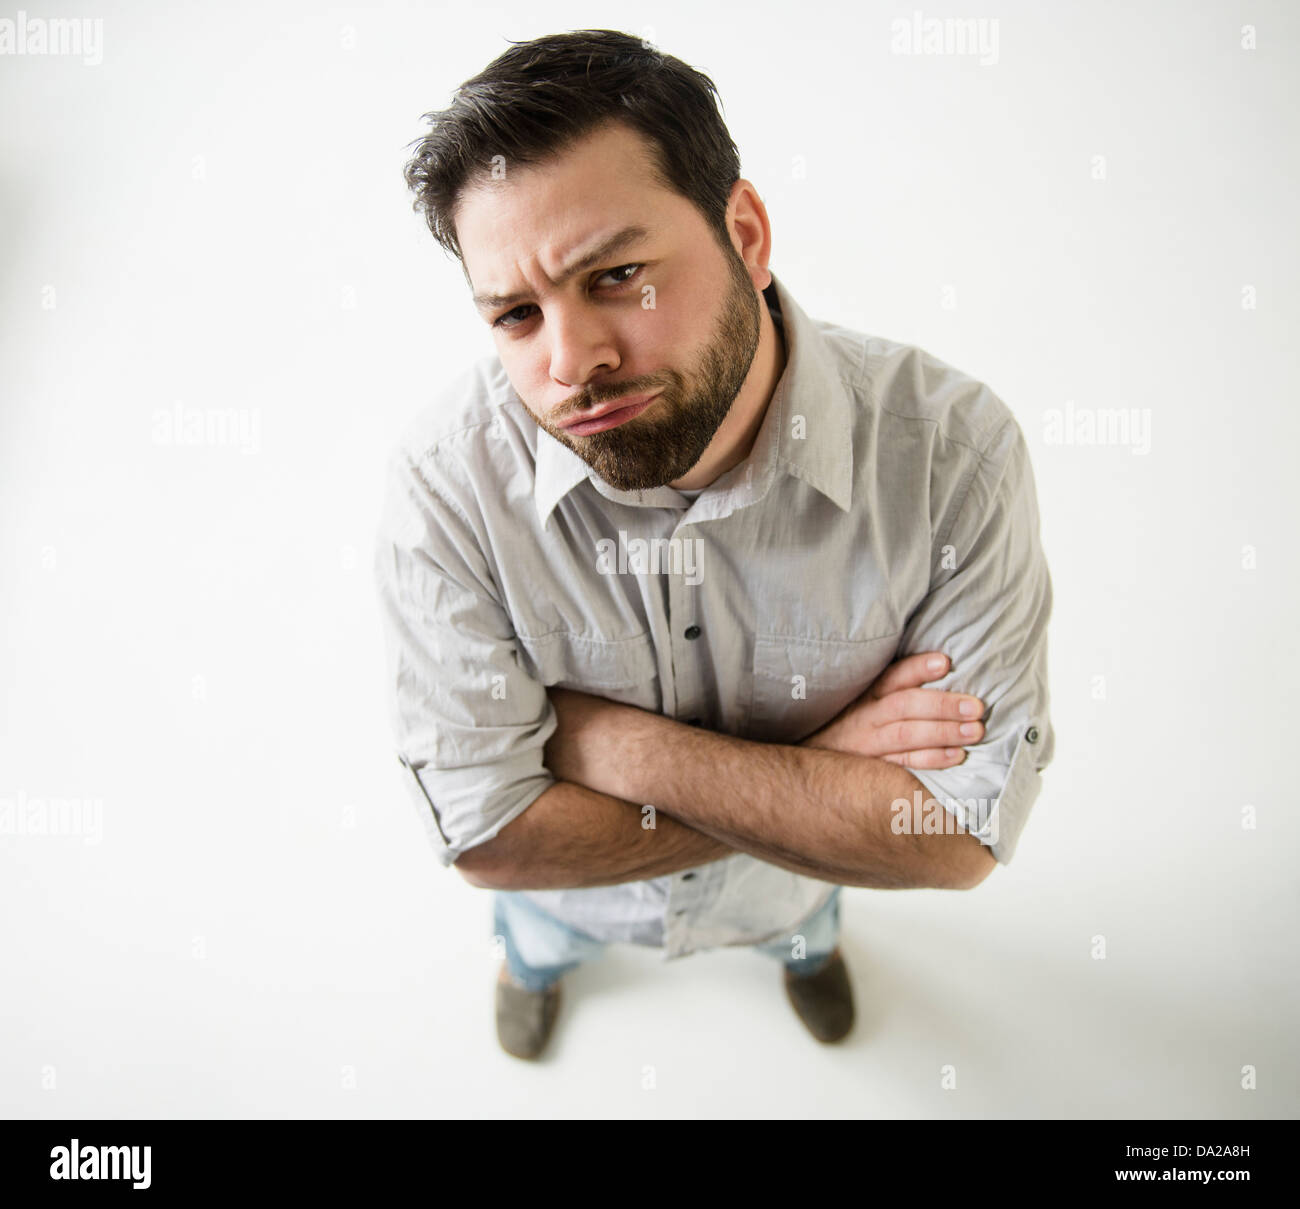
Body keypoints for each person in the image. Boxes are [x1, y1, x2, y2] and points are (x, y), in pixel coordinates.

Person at [375, 29, 1055, 1060]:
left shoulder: (952, 455)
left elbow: (954, 840)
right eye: (516, 314)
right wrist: (816, 773)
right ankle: (534, 974)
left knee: (804, 926)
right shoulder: (445, 487)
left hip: (794, 895)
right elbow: (494, 842)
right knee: (532, 935)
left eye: (615, 276)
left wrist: (611, 745)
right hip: (574, 905)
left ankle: (804, 953)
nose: (572, 365)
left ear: (744, 231)